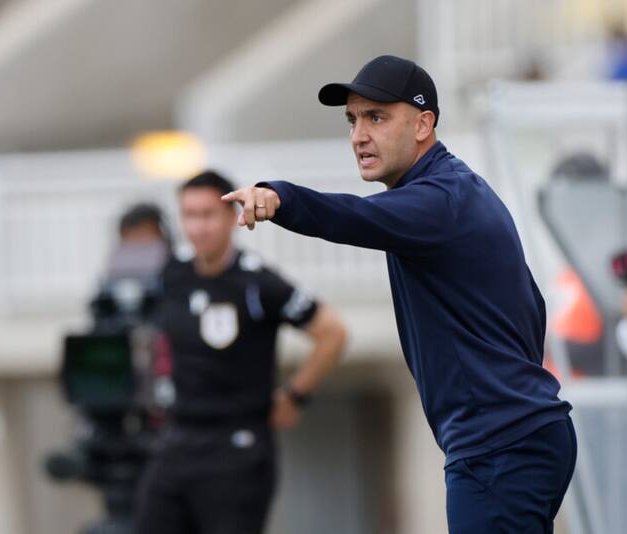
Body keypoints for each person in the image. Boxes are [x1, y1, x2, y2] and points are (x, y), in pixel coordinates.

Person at [222, 55, 576, 533]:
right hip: (517, 437)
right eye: (352, 120)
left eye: (376, 117)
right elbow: (529, 311)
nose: (358, 136)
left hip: (500, 446)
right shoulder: (453, 191)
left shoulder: (440, 201)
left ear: (423, 123)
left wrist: (280, 197)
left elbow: (351, 216)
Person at [134, 171, 348, 534]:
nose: (198, 226)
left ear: (230, 217)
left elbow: (333, 333)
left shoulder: (257, 283)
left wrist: (294, 396)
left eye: (207, 214)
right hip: (178, 441)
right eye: (189, 215)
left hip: (237, 449)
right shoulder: (172, 277)